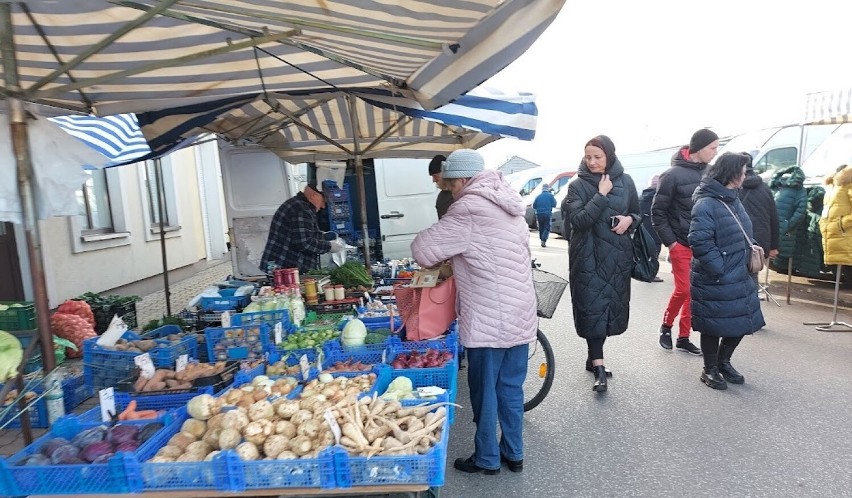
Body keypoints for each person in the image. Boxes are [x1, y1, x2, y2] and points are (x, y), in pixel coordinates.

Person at [411, 149, 536, 475]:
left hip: (488, 318)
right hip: (520, 312)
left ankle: (487, 459)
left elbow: (423, 250)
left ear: (463, 179)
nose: (451, 190)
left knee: (484, 391)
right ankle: (514, 453)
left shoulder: (467, 208)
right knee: (511, 387)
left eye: (451, 184)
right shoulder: (510, 204)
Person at [565, 135, 639, 392]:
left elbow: (637, 212)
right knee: (592, 307)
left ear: (609, 155)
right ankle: (598, 365)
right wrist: (601, 195)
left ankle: (593, 355)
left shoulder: (627, 181)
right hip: (587, 256)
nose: (593, 162)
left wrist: (630, 220)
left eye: (598, 156)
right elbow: (579, 221)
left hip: (617, 256)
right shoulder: (576, 186)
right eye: (588, 157)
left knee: (608, 309)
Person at [688, 152, 765, 390]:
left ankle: (723, 362)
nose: (745, 176)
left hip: (739, 273)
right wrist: (719, 268)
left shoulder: (733, 198)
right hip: (717, 276)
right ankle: (709, 369)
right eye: (742, 172)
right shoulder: (707, 203)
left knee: (744, 320)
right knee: (713, 324)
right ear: (731, 174)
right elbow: (699, 241)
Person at [651, 128, 719, 355]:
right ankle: (666, 326)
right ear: (698, 148)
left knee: (695, 291)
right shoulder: (671, 175)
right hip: (680, 243)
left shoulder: (711, 173)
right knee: (684, 289)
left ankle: (684, 337)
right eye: (712, 148)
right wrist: (670, 243)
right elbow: (657, 212)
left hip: (703, 244)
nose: (715, 152)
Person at [259, 184, 345, 274]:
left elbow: (304, 233)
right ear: (314, 195)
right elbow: (304, 243)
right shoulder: (301, 210)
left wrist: (323, 236)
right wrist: (329, 246)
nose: (323, 206)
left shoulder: (297, 204)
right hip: (284, 270)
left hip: (281, 266)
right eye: (323, 201)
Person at [737, 153, 780, 289]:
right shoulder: (764, 187)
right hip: (760, 240)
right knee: (753, 275)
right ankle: (752, 305)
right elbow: (774, 217)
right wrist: (774, 245)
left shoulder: (733, 185)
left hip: (738, 238)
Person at [770, 165, 808, 270]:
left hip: (787, 229)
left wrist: (788, 224)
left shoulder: (799, 190)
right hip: (771, 227)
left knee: (784, 254)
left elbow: (800, 211)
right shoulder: (775, 187)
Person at [819, 164, 852, 266]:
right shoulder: (832, 186)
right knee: (843, 269)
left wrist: (843, 223)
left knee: (847, 270)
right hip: (834, 233)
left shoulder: (848, 185)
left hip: (845, 233)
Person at [638, 175, 663, 282]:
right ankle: (651, 274)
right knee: (654, 253)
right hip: (655, 229)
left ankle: (644, 272)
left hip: (643, 229)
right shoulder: (658, 198)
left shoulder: (642, 196)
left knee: (645, 253)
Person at [429, 154, 455, 219]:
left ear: (445, 173)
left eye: (435, 176)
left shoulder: (461, 194)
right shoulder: (442, 197)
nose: (433, 180)